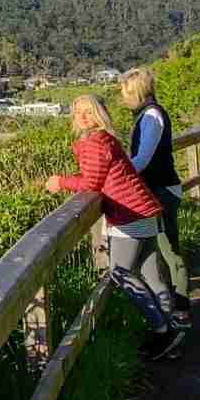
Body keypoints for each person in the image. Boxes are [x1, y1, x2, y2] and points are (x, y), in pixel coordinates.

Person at [44, 94, 185, 360]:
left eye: (88, 111)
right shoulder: (106, 139)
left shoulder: (95, 142)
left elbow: (91, 183)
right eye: (78, 112)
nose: (82, 116)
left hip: (129, 215)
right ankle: (170, 331)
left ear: (98, 114)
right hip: (144, 210)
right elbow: (98, 177)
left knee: (120, 272)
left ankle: (162, 330)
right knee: (151, 274)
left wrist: (60, 182)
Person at [120, 67, 189, 314]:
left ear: (138, 92)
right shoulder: (148, 114)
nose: (124, 99)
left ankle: (180, 308)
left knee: (168, 251)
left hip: (162, 192)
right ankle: (172, 306)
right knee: (159, 252)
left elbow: (143, 158)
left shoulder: (151, 116)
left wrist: (117, 176)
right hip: (158, 190)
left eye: (127, 93)